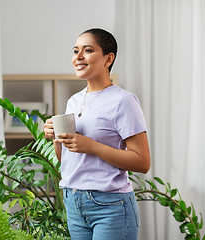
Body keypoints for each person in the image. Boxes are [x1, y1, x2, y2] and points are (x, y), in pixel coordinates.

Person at [43, 28, 151, 240]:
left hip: (110, 206)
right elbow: (67, 159)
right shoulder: (73, 101)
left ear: (108, 58)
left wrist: (91, 146)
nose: (78, 57)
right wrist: (56, 138)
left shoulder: (124, 101)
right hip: (74, 203)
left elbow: (142, 162)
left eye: (88, 50)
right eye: (75, 51)